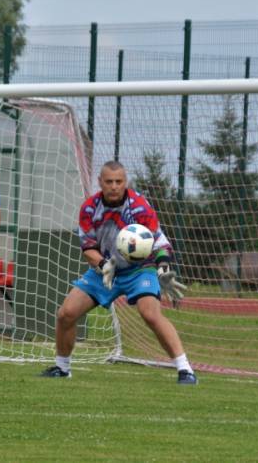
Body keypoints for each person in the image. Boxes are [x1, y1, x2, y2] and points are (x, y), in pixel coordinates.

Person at [40, 161, 197, 384]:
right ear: (100, 182)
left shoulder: (140, 207)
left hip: (141, 270)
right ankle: (62, 368)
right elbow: (88, 248)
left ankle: (185, 370)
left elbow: (159, 242)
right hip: (106, 269)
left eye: (118, 181)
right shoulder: (89, 208)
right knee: (66, 313)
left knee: (150, 314)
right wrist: (105, 265)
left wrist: (163, 269)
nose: (114, 186)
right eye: (109, 181)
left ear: (125, 182)